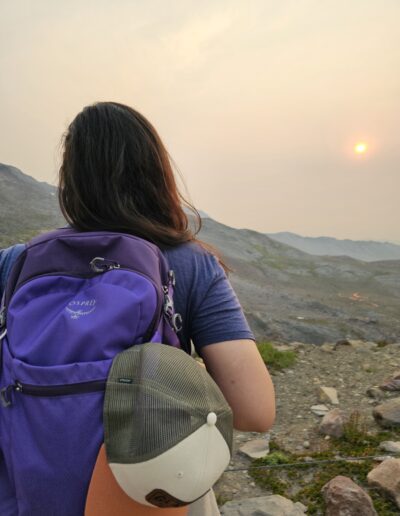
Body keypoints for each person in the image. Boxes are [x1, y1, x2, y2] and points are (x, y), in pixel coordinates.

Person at [0, 102, 275, 515]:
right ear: (156, 170)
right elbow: (255, 411)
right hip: (146, 495)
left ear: (69, 179)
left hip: (25, 493)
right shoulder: (191, 264)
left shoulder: (16, 264)